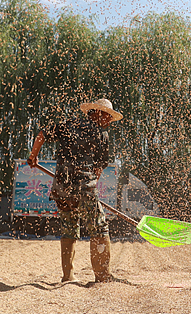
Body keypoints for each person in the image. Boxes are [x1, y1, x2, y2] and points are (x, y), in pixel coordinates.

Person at [26, 98, 123, 283]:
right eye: (108, 116)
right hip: (85, 186)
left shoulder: (67, 125)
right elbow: (97, 169)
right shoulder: (101, 133)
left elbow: (41, 136)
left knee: (69, 229)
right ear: (98, 113)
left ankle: (68, 276)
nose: (109, 121)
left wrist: (33, 156)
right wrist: (92, 190)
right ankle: (102, 276)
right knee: (99, 227)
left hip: (61, 187)